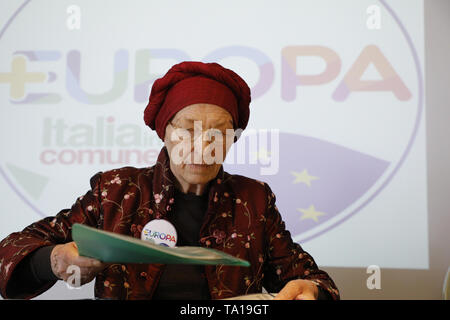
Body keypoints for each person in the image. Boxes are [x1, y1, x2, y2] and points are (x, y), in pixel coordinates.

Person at [0, 61, 340, 300]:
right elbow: (11, 250)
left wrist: (310, 291)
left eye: (219, 133)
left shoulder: (254, 200)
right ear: (165, 132)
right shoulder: (116, 191)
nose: (203, 144)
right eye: (188, 129)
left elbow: (312, 279)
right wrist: (56, 259)